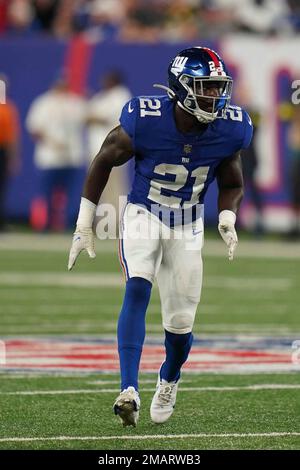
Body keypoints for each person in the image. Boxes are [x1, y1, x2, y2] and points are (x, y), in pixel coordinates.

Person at [68, 47, 253, 427]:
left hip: (188, 224)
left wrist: (229, 214)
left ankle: (169, 378)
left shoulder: (230, 127)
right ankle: (128, 389)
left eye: (218, 88)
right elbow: (104, 157)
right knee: (137, 286)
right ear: (181, 88)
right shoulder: (147, 119)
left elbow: (232, 179)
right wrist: (85, 221)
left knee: (181, 325)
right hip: (144, 213)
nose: (214, 97)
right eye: (205, 88)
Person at [26, 77, 86, 231]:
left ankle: (69, 226)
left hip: (72, 157)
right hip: (49, 158)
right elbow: (34, 129)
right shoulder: (43, 103)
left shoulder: (75, 102)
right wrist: (52, 142)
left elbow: (88, 118)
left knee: (72, 196)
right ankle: (44, 226)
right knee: (46, 195)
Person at [86, 70, 131, 217]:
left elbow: (103, 118)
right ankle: (104, 224)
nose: (104, 82)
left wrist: (91, 117)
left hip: (114, 151)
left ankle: (116, 223)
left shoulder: (120, 95)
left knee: (114, 190)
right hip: (97, 150)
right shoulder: (101, 96)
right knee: (100, 190)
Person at [0, 74, 20, 231]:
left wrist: (14, 157)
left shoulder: (7, 108)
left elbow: (13, 137)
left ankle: (1, 221)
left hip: (2, 150)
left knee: (2, 187)